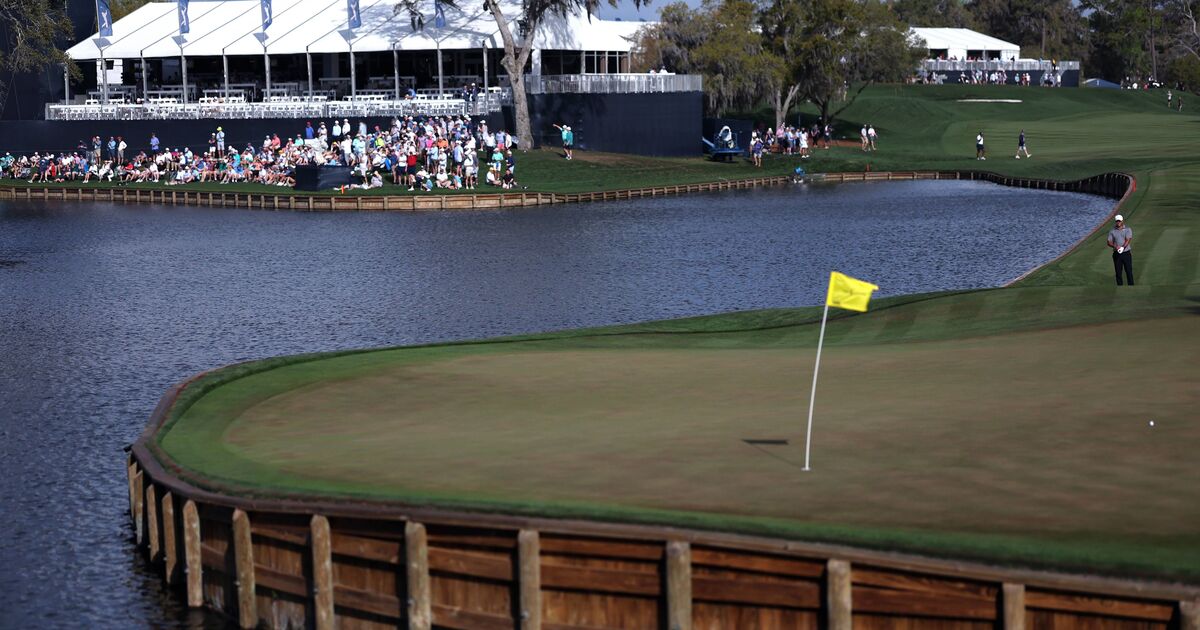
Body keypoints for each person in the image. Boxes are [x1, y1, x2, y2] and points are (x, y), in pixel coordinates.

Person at [1107, 214, 1134, 285]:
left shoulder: (1127, 229)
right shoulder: (1112, 231)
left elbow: (1128, 240)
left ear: (1122, 221)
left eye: (1119, 221)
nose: (1118, 222)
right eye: (1117, 221)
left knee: (1129, 271)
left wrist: (1122, 247)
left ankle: (1131, 287)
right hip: (1116, 254)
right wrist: (1115, 246)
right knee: (1118, 272)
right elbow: (1109, 242)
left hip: (1126, 253)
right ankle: (1120, 288)